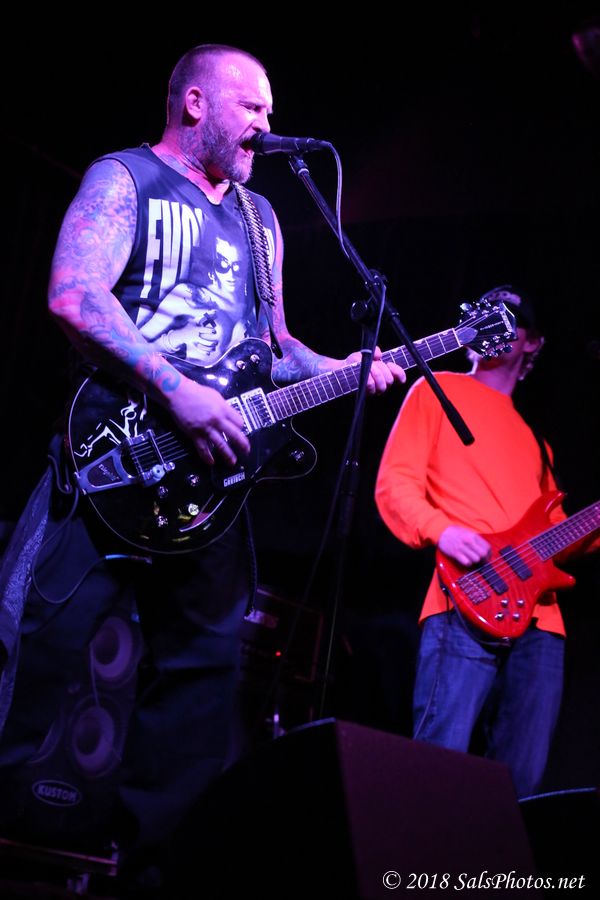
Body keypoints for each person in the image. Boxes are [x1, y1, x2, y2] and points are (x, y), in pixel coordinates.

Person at [0, 43, 404, 887]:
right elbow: (74, 294)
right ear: (194, 104)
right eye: (252, 106)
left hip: (207, 488)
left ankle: (151, 872)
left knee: (201, 683)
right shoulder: (126, 179)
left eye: (270, 110)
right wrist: (177, 390)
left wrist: (346, 368)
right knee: (39, 651)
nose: (267, 123)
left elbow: (273, 347)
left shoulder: (261, 218)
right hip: (110, 460)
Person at [375, 284, 597, 799]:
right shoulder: (435, 390)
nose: (492, 325)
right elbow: (394, 486)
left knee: (521, 789)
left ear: (532, 342)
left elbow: (560, 536)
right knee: (435, 773)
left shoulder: (538, 444)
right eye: (484, 314)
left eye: (508, 319)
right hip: (465, 595)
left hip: (542, 621)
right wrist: (443, 530)